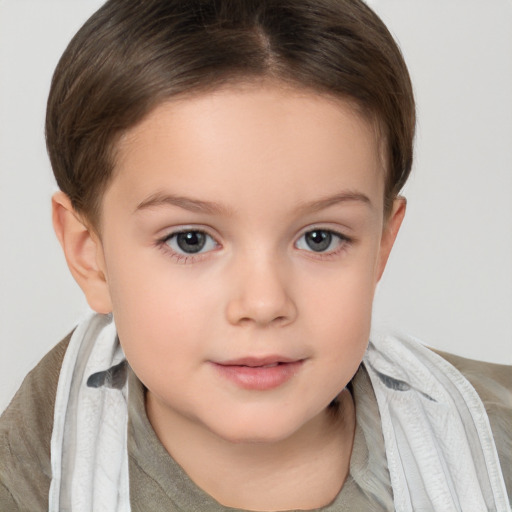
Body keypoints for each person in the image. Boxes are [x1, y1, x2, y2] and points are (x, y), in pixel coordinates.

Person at [0, 0, 510, 510]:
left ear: (381, 244)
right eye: (190, 240)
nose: (264, 303)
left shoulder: (494, 446)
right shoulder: (22, 484)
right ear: (91, 255)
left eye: (319, 238)